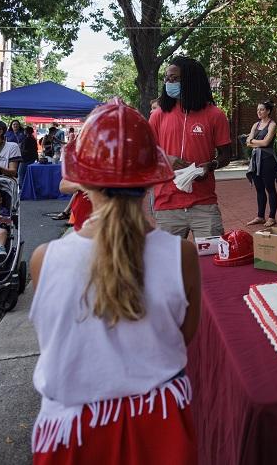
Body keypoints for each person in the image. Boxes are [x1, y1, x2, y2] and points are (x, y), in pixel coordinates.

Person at [29, 98, 200, 463]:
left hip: (72, 437)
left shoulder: (45, 259)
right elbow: (181, 336)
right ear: (152, 177)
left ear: (82, 179)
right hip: (162, 428)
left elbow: (55, 342)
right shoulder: (181, 255)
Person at [149, 55, 231, 239]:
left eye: (174, 78)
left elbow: (226, 154)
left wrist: (211, 166)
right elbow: (146, 154)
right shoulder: (158, 115)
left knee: (213, 262)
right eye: (167, 78)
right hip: (167, 204)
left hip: (204, 204)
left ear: (190, 80)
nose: (168, 82)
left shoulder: (215, 115)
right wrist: (166, 159)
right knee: (169, 265)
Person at [245, 100, 277, 228]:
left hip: (268, 160)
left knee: (270, 188)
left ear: (268, 111)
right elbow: (247, 143)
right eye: (258, 109)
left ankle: (271, 217)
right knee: (259, 188)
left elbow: (265, 143)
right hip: (256, 160)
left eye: (262, 109)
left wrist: (253, 140)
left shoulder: (272, 125)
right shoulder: (256, 124)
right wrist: (253, 141)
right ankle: (260, 216)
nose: (259, 112)